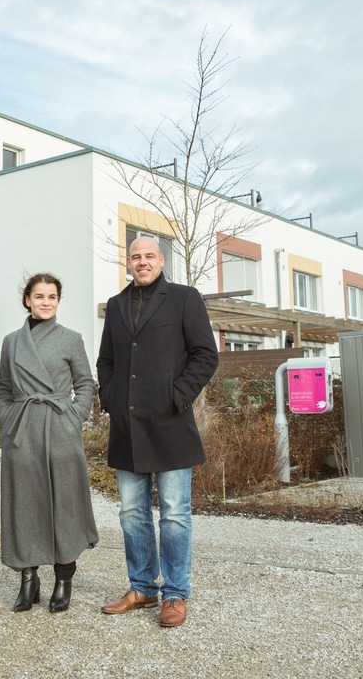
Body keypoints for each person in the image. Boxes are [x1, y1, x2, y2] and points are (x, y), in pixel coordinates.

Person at [96, 236, 218, 628]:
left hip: (170, 425)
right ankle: (143, 587)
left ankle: (176, 593)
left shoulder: (184, 297)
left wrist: (176, 395)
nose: (142, 262)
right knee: (132, 513)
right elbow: (107, 360)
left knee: (175, 516)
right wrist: (111, 398)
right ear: (128, 262)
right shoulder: (116, 305)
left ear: (161, 260)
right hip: (127, 426)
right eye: (136, 256)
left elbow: (205, 355)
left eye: (149, 256)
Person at [0, 273, 99, 613]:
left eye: (52, 296)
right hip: (22, 430)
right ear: (27, 299)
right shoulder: (12, 342)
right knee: (24, 504)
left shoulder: (71, 339)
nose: (45, 302)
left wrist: (73, 416)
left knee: (64, 503)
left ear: (58, 301)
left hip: (60, 430)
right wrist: (7, 420)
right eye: (39, 296)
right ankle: (28, 579)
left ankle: (64, 577)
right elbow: (5, 388)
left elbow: (86, 383)